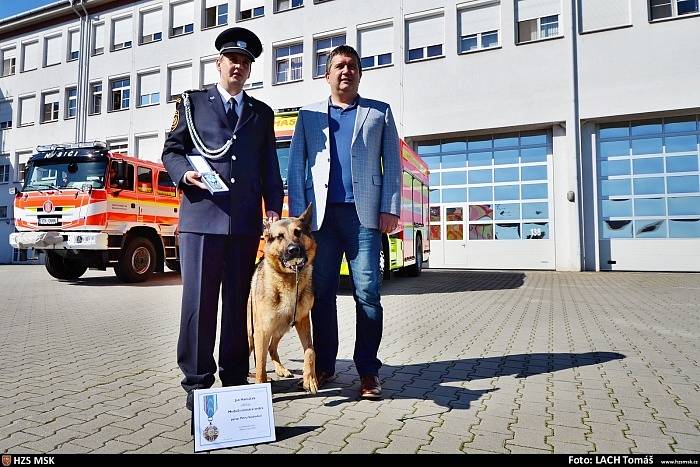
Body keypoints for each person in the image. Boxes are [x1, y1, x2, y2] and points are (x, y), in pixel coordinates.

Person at [162, 27, 283, 414]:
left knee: (236, 305)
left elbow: (269, 165)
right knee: (198, 303)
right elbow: (172, 150)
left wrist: (274, 207)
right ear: (219, 64)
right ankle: (197, 382)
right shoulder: (193, 103)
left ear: (249, 71)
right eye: (233, 59)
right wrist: (183, 175)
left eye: (245, 62)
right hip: (201, 219)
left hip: (244, 223)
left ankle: (234, 377)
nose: (238, 66)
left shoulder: (261, 114)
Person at [287, 45, 401, 399]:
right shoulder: (308, 116)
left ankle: (368, 371)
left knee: (367, 293)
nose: (345, 71)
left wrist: (390, 207)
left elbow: (392, 165)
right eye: (338, 66)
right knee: (320, 294)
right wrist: (297, 220)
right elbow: (295, 166)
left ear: (360, 73)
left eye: (352, 66)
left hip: (362, 217)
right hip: (320, 220)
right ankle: (324, 365)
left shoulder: (379, 113)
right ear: (327, 74)